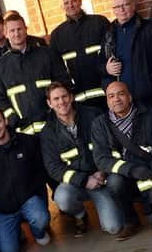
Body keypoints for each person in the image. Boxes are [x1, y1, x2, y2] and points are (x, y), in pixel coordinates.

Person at [41, 82, 137, 239]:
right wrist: (84, 180)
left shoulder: (93, 115)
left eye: (64, 96)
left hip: (101, 180)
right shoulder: (48, 132)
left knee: (113, 227)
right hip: (77, 184)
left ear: (71, 97)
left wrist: (103, 172)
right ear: (49, 103)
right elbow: (53, 168)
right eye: (56, 99)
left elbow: (113, 145)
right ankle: (80, 214)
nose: (61, 102)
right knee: (61, 197)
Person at [91, 81, 152, 231]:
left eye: (121, 94)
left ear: (129, 97)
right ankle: (130, 220)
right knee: (114, 182)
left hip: (150, 178)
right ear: (107, 101)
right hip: (124, 177)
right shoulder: (99, 125)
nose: (116, 99)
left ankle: (151, 202)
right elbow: (101, 159)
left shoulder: (151, 118)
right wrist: (131, 169)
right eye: (111, 96)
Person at [0, 107, 51, 252]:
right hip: (4, 209)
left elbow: (40, 171)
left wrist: (31, 193)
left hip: (28, 200)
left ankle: (38, 232)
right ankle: (16, 231)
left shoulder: (27, 142)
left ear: (5, 121)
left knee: (40, 218)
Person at [0, 13, 71, 135]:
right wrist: (12, 118)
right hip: (23, 131)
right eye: (12, 30)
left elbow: (63, 82)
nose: (16, 34)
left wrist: (57, 109)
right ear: (6, 33)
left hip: (53, 125)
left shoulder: (47, 55)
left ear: (26, 30)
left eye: (19, 29)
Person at [102, 0, 152, 117]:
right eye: (117, 7)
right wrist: (106, 69)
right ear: (113, 10)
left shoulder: (151, 28)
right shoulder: (109, 34)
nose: (121, 9)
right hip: (124, 104)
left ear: (133, 5)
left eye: (125, 4)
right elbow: (99, 64)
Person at [49, 0, 110, 109]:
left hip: (106, 92)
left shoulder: (99, 22)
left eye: (73, 1)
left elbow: (111, 52)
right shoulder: (57, 35)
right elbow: (56, 68)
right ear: (62, 7)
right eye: (66, 3)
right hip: (78, 99)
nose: (70, 5)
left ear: (80, 1)